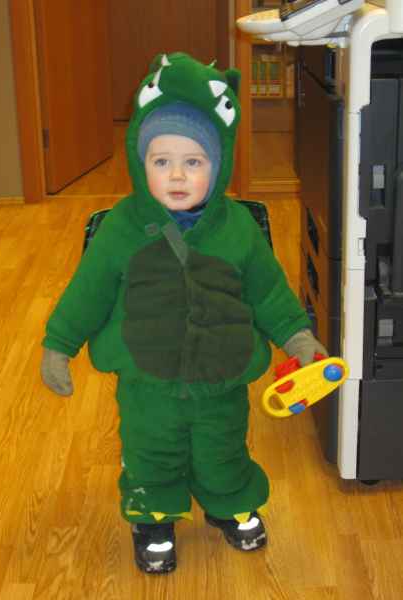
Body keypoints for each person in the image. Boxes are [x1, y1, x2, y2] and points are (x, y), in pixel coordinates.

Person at [41, 52, 327, 575]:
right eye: (161, 161)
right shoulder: (121, 229)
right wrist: (59, 345)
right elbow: (87, 293)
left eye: (193, 162)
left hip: (221, 378)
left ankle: (229, 501)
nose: (176, 174)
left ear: (219, 165)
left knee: (223, 446)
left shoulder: (238, 229)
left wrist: (298, 338)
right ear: (139, 161)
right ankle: (153, 517)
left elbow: (269, 293)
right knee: (151, 451)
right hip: (147, 383)